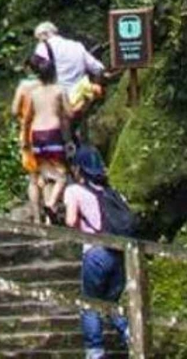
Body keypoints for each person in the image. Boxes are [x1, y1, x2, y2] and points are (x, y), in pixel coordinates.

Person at [63, 146, 130, 359]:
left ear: (78, 169)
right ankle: (130, 333)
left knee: (90, 303)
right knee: (111, 301)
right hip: (119, 252)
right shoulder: (113, 193)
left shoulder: (74, 190)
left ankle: (95, 351)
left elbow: (70, 220)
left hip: (95, 252)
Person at [13, 54, 73, 222]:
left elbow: (27, 119)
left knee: (45, 175)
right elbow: (69, 114)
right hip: (53, 134)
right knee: (61, 175)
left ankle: (45, 217)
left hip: (37, 135)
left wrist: (25, 141)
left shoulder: (34, 93)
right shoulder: (59, 90)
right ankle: (51, 204)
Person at [33, 21, 107, 98]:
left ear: (42, 36)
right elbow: (98, 68)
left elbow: (36, 69)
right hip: (81, 93)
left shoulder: (43, 46)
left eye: (38, 39)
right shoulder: (76, 45)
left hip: (61, 96)